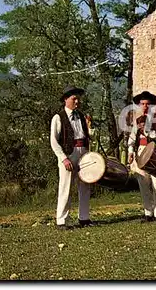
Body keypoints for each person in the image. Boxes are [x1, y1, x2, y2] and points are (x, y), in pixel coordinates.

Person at [50, 85, 95, 230]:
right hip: (69, 154)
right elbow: (53, 141)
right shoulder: (58, 117)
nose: (77, 101)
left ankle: (84, 218)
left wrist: (90, 127)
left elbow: (88, 136)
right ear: (65, 100)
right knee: (65, 187)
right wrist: (63, 158)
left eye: (78, 98)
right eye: (74, 98)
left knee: (85, 185)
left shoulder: (81, 116)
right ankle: (62, 221)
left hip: (82, 152)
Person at [127, 91, 156, 223]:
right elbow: (132, 137)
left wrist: (150, 132)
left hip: (155, 150)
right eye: (143, 104)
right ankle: (148, 212)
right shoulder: (137, 120)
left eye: (147, 104)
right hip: (141, 151)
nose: (145, 106)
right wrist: (130, 151)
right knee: (143, 181)